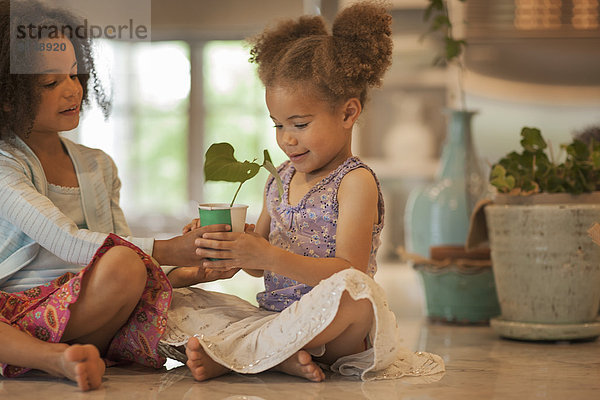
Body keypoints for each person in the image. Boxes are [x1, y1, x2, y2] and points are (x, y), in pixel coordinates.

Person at [161, 1, 444, 383]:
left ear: (347, 114)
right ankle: (279, 355)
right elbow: (257, 262)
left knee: (356, 293)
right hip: (277, 318)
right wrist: (232, 244)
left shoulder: (353, 181)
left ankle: (237, 354)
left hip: (337, 328)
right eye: (278, 124)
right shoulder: (279, 179)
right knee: (177, 303)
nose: (287, 139)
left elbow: (350, 270)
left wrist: (268, 255)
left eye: (299, 123)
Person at [0, 0, 237, 391]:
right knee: (126, 258)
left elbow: (126, 259)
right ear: (8, 96)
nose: (72, 89)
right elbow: (65, 239)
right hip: (16, 312)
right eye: (50, 83)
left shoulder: (98, 165)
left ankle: (68, 354)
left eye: (75, 75)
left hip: (88, 308)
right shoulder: (6, 163)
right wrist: (174, 248)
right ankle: (53, 357)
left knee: (126, 264)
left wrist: (188, 272)